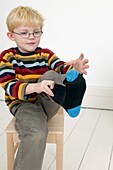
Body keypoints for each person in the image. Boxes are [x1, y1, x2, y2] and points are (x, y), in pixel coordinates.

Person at [0, 6, 89, 170]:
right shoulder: (7, 57)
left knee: (50, 75)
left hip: (48, 101)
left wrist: (74, 69)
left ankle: (71, 95)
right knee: (36, 134)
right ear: (11, 35)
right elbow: (9, 86)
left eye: (36, 32)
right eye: (25, 33)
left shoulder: (45, 54)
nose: (31, 37)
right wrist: (36, 87)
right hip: (24, 105)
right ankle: (68, 95)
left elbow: (60, 67)